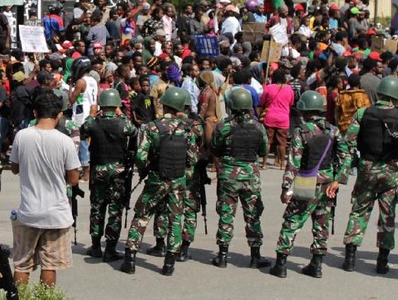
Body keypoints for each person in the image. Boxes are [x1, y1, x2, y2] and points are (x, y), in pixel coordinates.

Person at [340, 76, 398, 274]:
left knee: (359, 211)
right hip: (390, 171)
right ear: (397, 96)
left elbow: (348, 141)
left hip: (366, 169)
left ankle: (349, 258)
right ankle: (382, 261)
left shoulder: (363, 113)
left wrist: (348, 167)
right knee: (387, 216)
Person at [121, 88, 201, 276]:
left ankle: (130, 259)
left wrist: (145, 170)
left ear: (164, 104)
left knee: (142, 215)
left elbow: (140, 156)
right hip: (178, 180)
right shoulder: (186, 130)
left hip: (157, 178)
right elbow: (193, 158)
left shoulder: (152, 127)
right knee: (175, 219)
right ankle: (169, 264)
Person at [269, 92, 350, 278]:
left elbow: (293, 162)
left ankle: (281, 264)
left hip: (306, 181)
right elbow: (345, 157)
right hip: (328, 183)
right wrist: (338, 180)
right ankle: (317, 264)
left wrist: (286, 188)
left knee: (292, 221)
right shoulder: (333, 130)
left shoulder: (301, 131)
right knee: (321, 223)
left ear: (304, 109)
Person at [9, 91, 81, 287]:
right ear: (59, 114)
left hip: (28, 212)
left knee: (22, 265)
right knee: (49, 266)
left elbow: (14, 168)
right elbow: (74, 179)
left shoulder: (21, 136)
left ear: (34, 112)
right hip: (56, 214)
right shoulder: (65, 141)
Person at [209, 89, 271, 269]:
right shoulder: (258, 127)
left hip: (228, 175)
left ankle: (222, 256)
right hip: (251, 176)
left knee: (226, 214)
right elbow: (264, 151)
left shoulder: (223, 125)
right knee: (253, 215)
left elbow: (215, 148)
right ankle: (255, 256)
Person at [81, 89, 137, 261]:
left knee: (97, 207)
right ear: (117, 105)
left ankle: (96, 246)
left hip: (98, 169)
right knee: (115, 209)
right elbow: (134, 133)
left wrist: (91, 115)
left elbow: (83, 132)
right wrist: (122, 115)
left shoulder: (93, 122)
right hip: (118, 171)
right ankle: (110, 249)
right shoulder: (123, 123)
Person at [259, 68, 294, 169]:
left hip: (270, 117)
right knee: (282, 143)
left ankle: (264, 164)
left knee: (268, 141)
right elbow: (291, 103)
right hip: (283, 118)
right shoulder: (289, 89)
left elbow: (262, 102)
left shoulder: (269, 88)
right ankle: (282, 164)